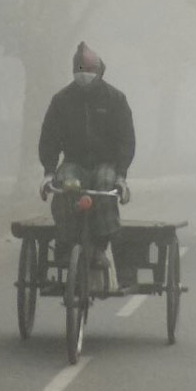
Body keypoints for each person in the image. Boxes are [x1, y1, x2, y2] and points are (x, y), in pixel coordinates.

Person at [38, 42, 136, 290]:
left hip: (105, 164)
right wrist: (49, 172)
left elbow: (126, 140)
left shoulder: (116, 99)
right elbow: (49, 138)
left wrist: (121, 175)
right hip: (74, 162)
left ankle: (101, 247)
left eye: (89, 70)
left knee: (104, 187)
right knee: (64, 189)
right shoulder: (61, 101)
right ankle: (67, 243)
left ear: (99, 71)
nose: (84, 75)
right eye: (80, 69)